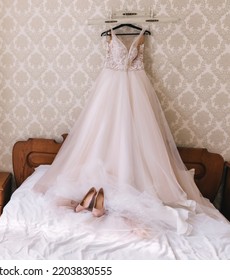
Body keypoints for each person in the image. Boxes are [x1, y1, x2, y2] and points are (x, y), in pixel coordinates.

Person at [33, 27, 230, 236]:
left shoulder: (141, 38)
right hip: (108, 91)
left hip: (137, 92)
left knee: (138, 140)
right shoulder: (109, 36)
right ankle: (96, 199)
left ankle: (93, 200)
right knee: (103, 131)